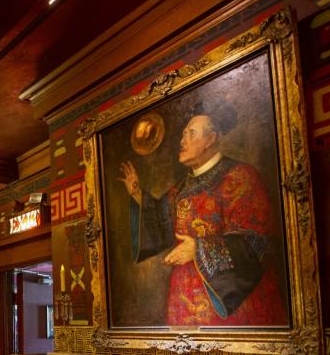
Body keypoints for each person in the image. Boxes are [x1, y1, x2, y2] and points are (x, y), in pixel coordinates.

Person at [117, 101, 286, 326]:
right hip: (183, 299)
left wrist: (199, 249)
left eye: (191, 133)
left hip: (227, 305)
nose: (182, 139)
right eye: (183, 133)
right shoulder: (181, 187)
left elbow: (255, 241)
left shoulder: (241, 177)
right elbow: (160, 223)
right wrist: (138, 194)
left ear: (210, 139)